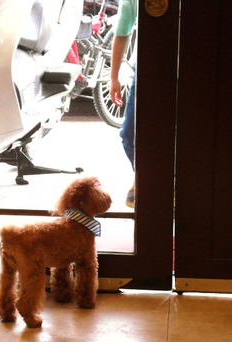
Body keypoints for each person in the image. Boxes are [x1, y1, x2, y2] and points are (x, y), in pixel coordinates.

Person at [109, 0, 137, 208]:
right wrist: (113, 77)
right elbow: (122, 33)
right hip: (145, 68)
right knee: (129, 135)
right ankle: (142, 178)